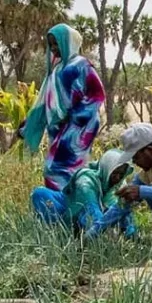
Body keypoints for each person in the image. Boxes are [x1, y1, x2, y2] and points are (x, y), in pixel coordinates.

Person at [24, 24, 106, 221]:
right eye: (51, 44)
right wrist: (26, 127)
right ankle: (64, 215)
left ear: (69, 42)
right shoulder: (56, 69)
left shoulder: (81, 65)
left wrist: (74, 117)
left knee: (62, 169)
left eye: (57, 43)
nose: (53, 48)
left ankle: (79, 215)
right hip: (59, 130)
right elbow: (46, 102)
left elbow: (97, 95)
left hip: (78, 130)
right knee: (55, 169)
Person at [31, 150, 137, 240]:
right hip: (70, 209)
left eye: (121, 174)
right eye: (115, 173)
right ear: (107, 169)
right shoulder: (86, 181)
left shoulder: (119, 185)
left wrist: (130, 232)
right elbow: (91, 208)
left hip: (97, 222)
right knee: (40, 194)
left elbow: (123, 210)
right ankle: (59, 232)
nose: (117, 178)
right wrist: (99, 233)